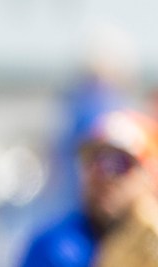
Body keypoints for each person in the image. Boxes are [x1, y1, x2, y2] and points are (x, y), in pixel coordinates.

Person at [16, 108, 158, 267]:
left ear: (150, 175)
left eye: (120, 163)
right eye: (95, 160)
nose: (105, 174)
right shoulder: (56, 247)